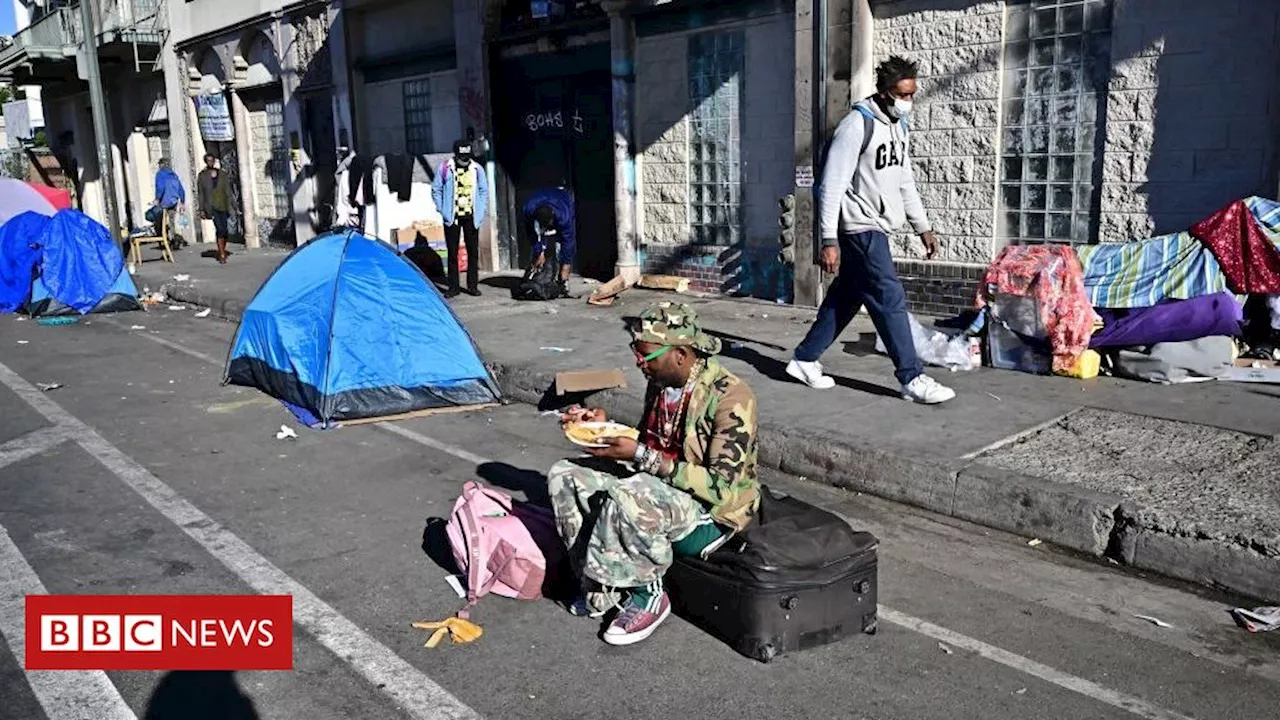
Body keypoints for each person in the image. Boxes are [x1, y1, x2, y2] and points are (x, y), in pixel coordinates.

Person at [549, 301, 761, 646]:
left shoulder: (730, 398)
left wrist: (645, 458)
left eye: (646, 354)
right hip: (662, 486)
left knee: (628, 496)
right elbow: (652, 442)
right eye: (636, 351)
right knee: (567, 475)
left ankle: (648, 595)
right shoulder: (662, 382)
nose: (638, 362)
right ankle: (600, 584)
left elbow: (721, 487)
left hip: (714, 515)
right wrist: (601, 425)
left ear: (679, 353)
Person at [786, 55, 955, 405]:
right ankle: (912, 377)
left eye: (912, 94)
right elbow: (830, 186)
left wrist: (922, 227)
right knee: (888, 295)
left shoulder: (898, 127)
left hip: (878, 226)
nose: (907, 102)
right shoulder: (855, 126)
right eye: (901, 94)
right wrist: (828, 239)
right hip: (860, 227)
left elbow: (904, 181)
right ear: (883, 92)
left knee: (846, 298)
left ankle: (804, 359)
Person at [431, 140, 489, 297]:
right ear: (455, 155)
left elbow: (484, 190)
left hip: (471, 217)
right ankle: (453, 287)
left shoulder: (477, 169)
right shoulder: (445, 168)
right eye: (461, 157)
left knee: (473, 252)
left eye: (467, 157)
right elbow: (436, 189)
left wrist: (481, 210)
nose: (464, 161)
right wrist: (442, 210)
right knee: (452, 253)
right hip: (452, 217)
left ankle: (472, 286)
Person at [524, 187, 575, 298]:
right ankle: (536, 273)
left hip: (562, 198)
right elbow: (531, 233)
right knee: (540, 251)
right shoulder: (529, 209)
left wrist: (566, 266)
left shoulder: (564, 216)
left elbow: (568, 241)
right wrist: (539, 252)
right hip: (539, 199)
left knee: (561, 244)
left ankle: (562, 281)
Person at [197, 153, 232, 264]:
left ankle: (223, 248)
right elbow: (201, 193)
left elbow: (228, 191)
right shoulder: (202, 176)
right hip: (211, 206)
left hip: (223, 204)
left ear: (214, 161)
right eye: (208, 160)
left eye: (212, 160)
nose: (210, 162)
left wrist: (234, 206)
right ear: (205, 162)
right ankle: (221, 253)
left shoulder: (222, 174)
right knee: (219, 228)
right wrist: (201, 209)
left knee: (225, 230)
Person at [152, 158, 187, 248]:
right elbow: (180, 189)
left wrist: (157, 199)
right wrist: (182, 201)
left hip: (164, 202)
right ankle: (173, 239)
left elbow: (160, 188)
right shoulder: (173, 175)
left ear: (161, 165)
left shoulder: (160, 174)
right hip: (173, 201)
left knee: (160, 221)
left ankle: (164, 240)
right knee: (172, 222)